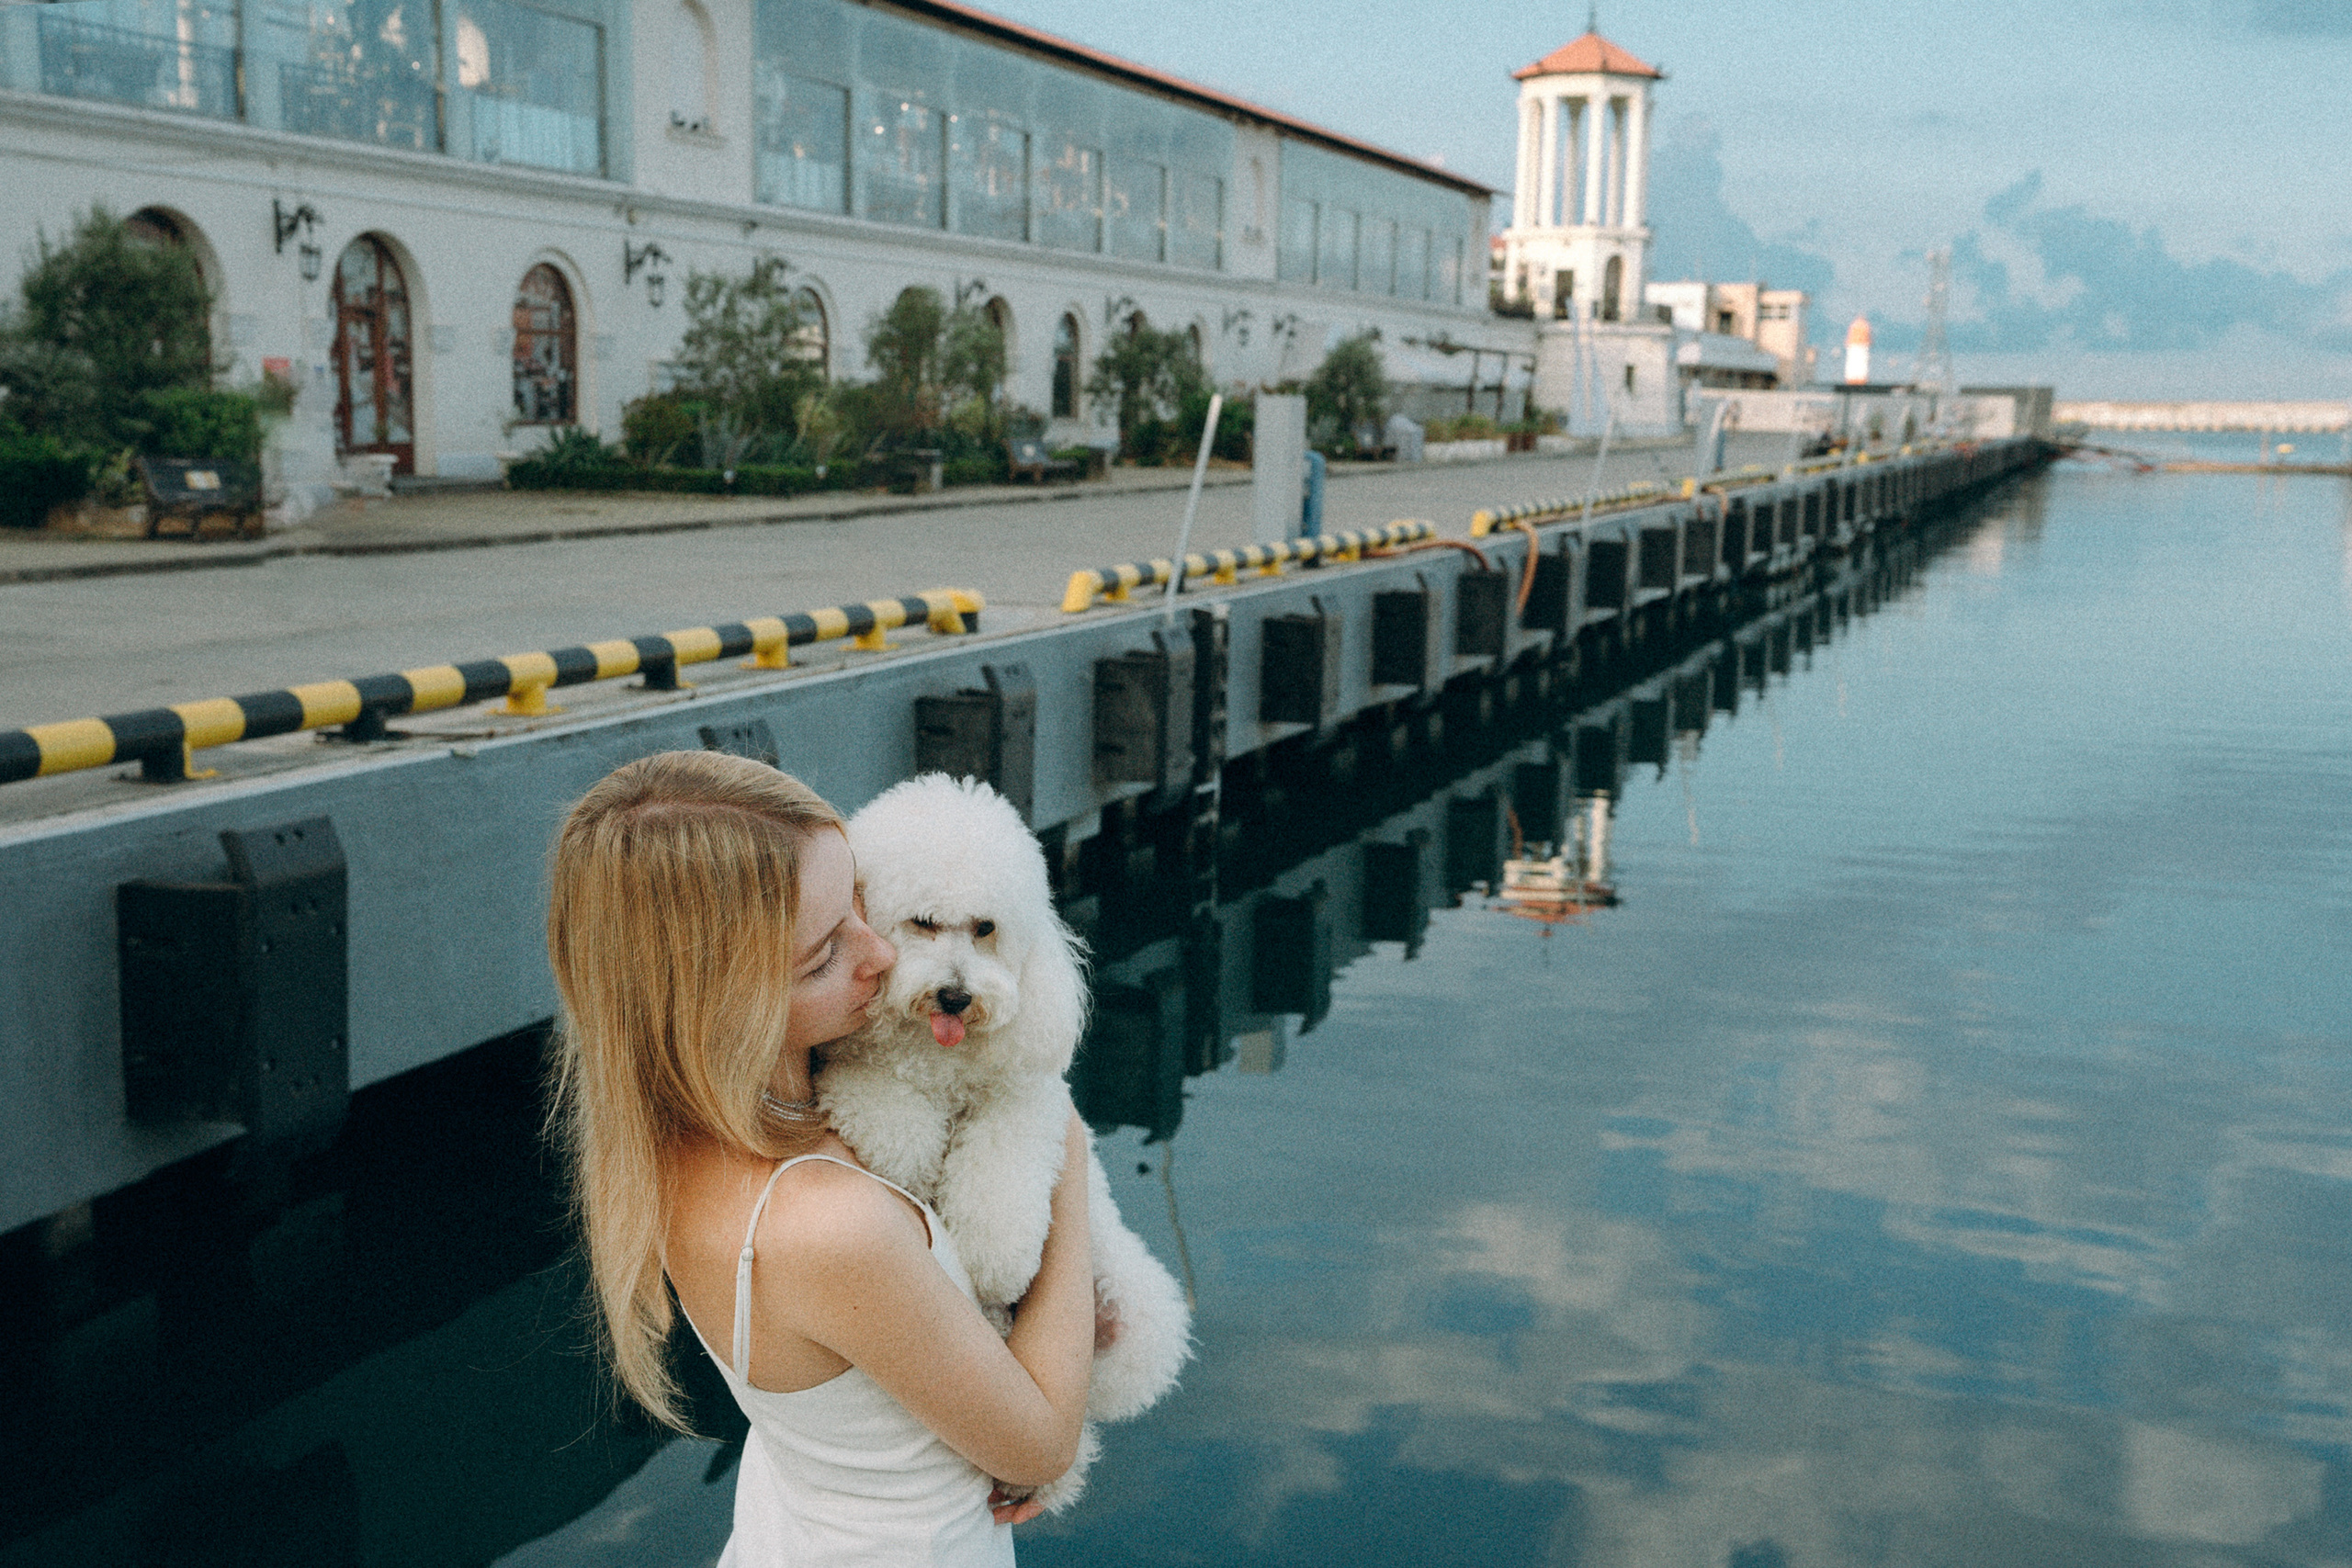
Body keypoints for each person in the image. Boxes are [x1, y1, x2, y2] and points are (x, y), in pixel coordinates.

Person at [546, 750, 1098, 1564]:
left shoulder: (677, 1139)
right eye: (823, 955)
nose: (880, 954)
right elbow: (1041, 1446)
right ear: (721, 1002)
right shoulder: (829, 1225)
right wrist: (1067, 1146)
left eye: (859, 905)